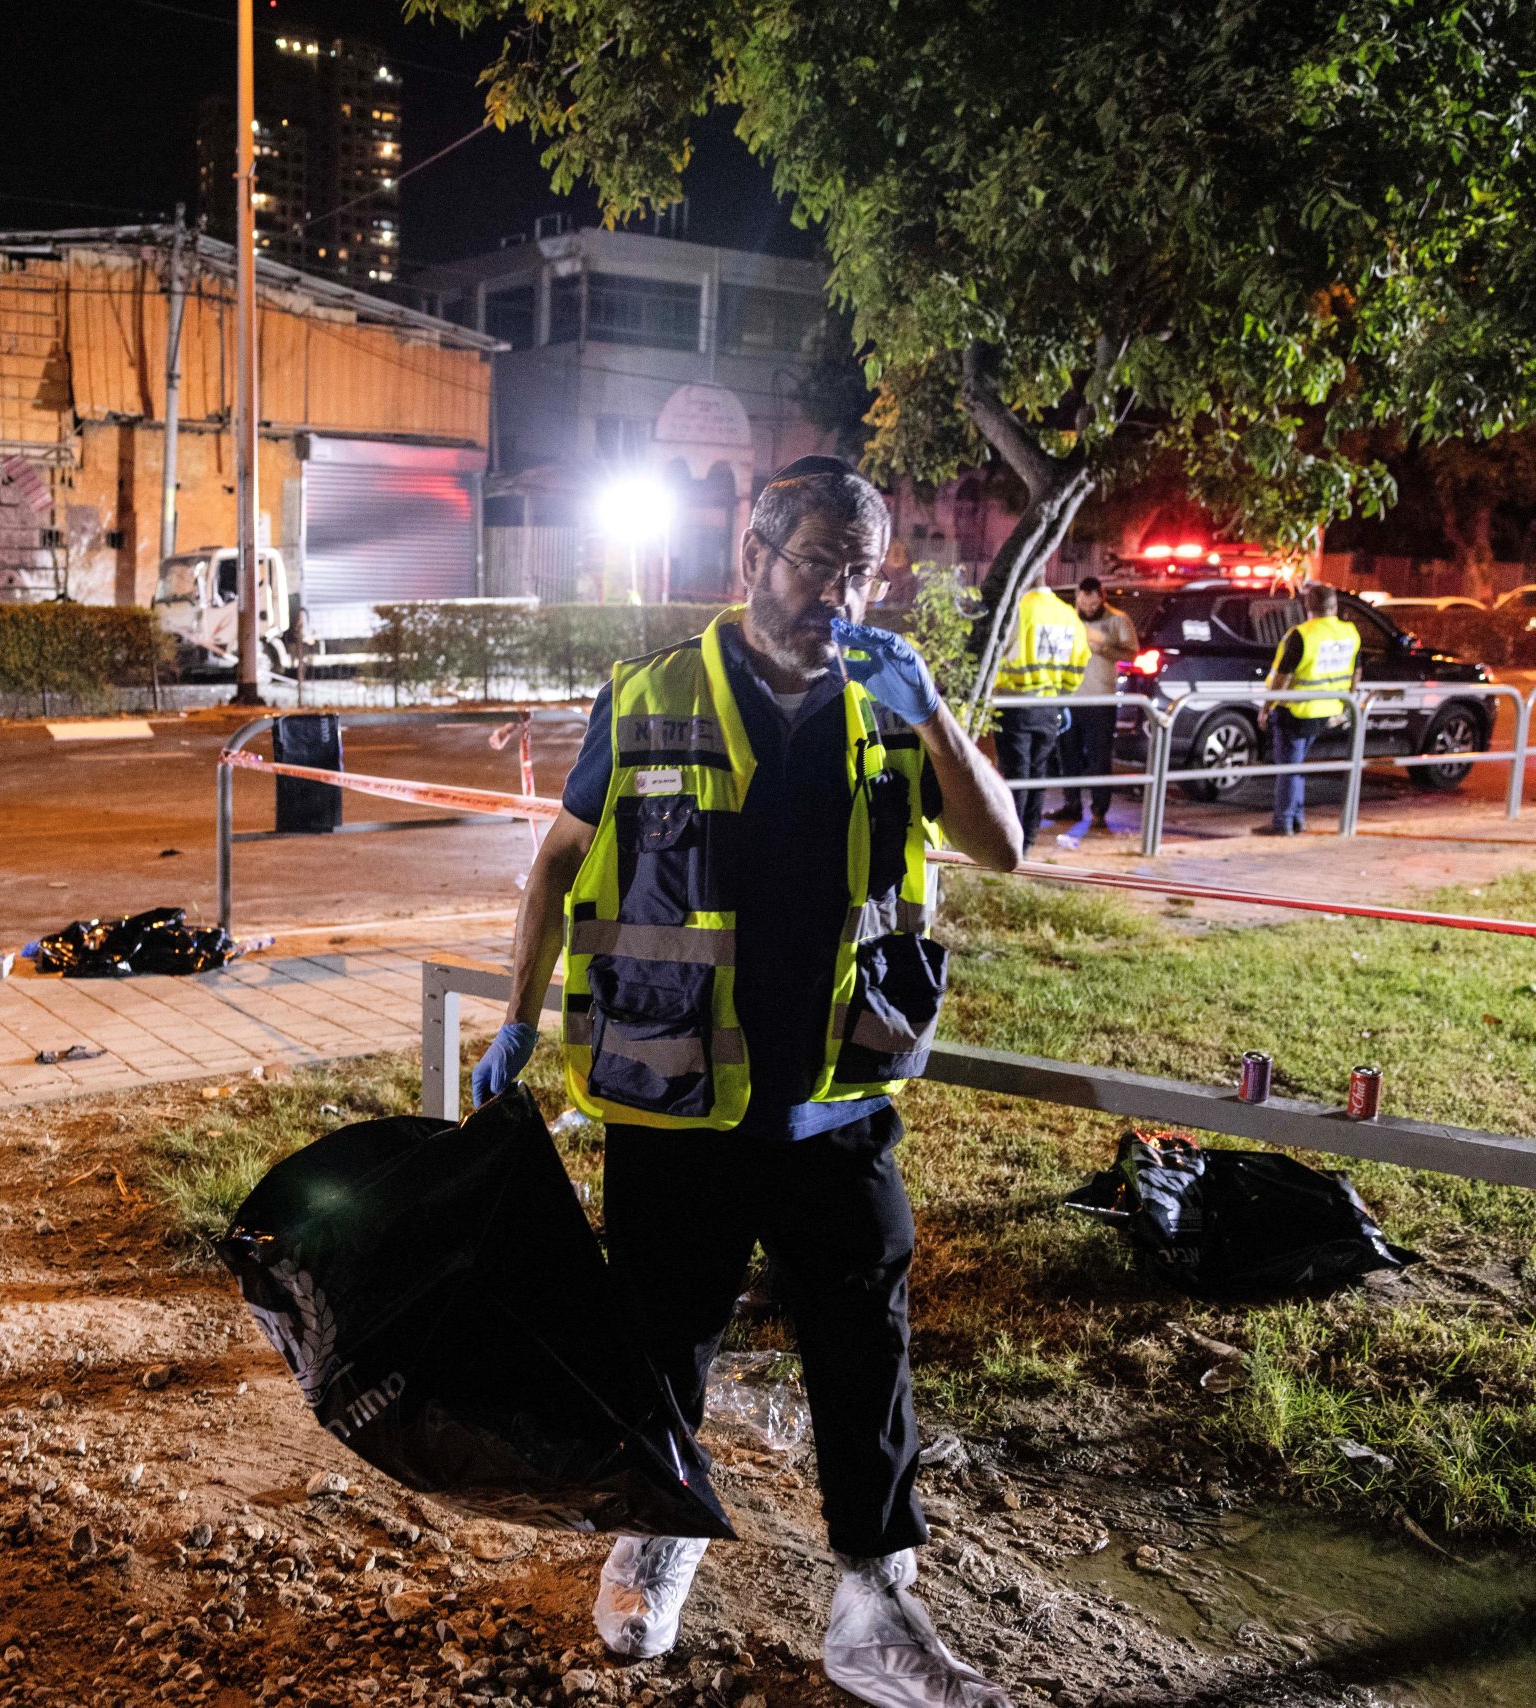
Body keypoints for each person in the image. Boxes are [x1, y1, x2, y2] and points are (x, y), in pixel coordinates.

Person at [468, 457, 1024, 1708]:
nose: (842, 588)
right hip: (678, 1099)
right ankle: (656, 1535)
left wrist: (933, 713)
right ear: (751, 558)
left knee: (863, 1343)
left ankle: (875, 1599)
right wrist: (512, 1017)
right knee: (663, 1335)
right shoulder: (652, 692)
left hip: (835, 1097)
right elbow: (558, 865)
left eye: (864, 567)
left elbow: (1004, 845)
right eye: (821, 558)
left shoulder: (890, 704)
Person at [991, 577, 1088, 850]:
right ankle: (1028, 840)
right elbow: (1081, 659)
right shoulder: (1067, 614)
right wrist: (1064, 698)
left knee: (1014, 777)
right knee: (1037, 775)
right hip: (1050, 705)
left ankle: (1010, 843)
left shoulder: (1020, 609)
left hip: (1014, 705)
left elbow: (997, 655)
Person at [1256, 582, 1360, 836]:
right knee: (1297, 765)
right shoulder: (1349, 632)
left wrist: (1267, 707)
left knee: (1289, 767)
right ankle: (1297, 819)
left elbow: (1282, 677)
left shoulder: (1302, 634)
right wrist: (1349, 701)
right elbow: (1356, 672)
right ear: (1334, 605)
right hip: (1327, 710)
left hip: (1295, 710)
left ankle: (1283, 822)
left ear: (1308, 606)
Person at [1049, 575, 1138, 838]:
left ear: (1102, 598)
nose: (1087, 607)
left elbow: (1131, 652)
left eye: (1092, 603)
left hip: (1100, 699)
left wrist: (1102, 647)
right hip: (1069, 697)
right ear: (1077, 598)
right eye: (1083, 602)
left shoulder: (1117, 620)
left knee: (1099, 757)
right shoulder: (1068, 619)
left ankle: (1099, 810)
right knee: (1068, 755)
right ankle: (1071, 804)